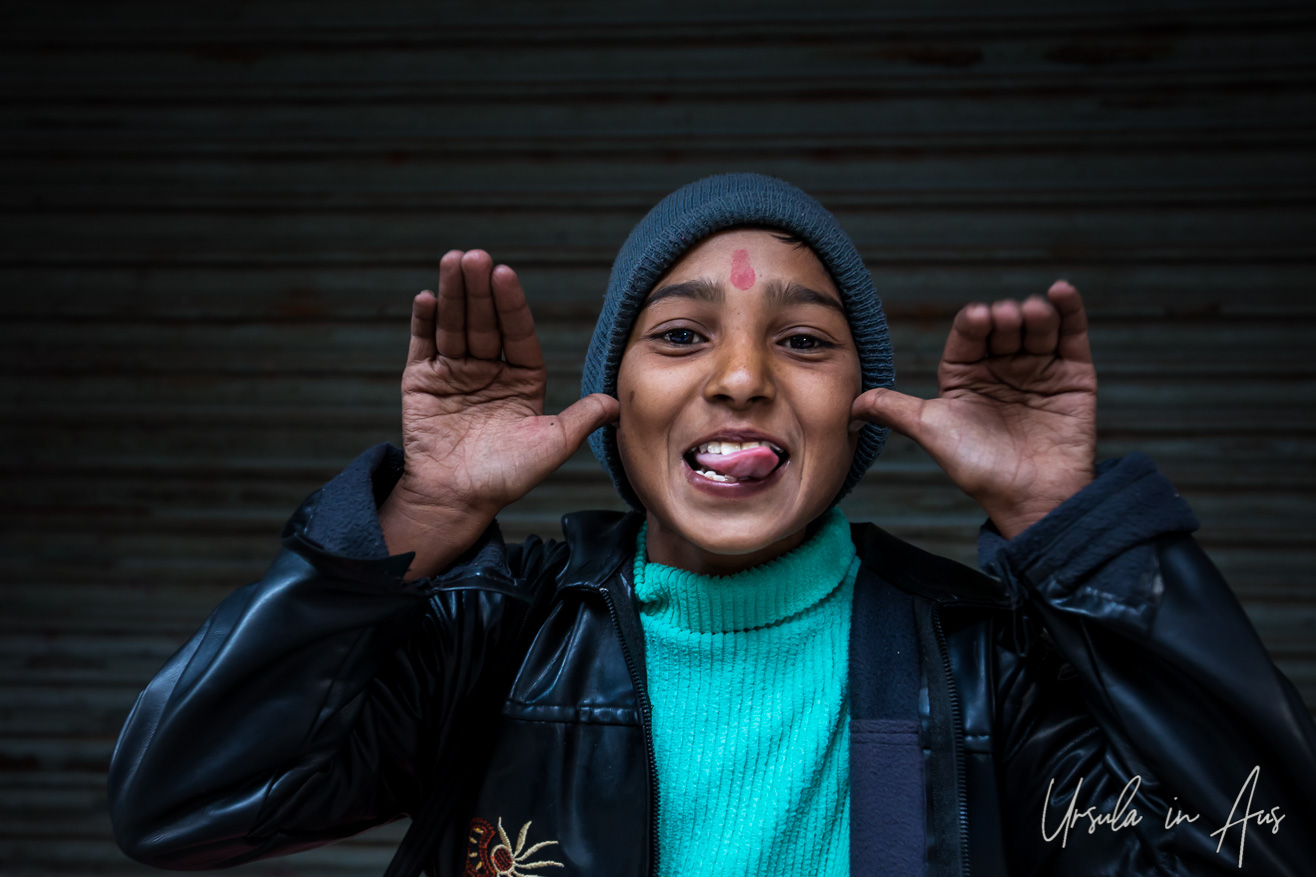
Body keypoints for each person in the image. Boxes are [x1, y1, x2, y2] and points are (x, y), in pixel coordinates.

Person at [108, 173, 1315, 876]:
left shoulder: (980, 664)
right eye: (681, 335)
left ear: (860, 412)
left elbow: (1259, 847)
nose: (740, 378)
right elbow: (181, 799)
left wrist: (1071, 529)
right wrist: (428, 510)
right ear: (614, 403)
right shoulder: (500, 634)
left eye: (803, 341)